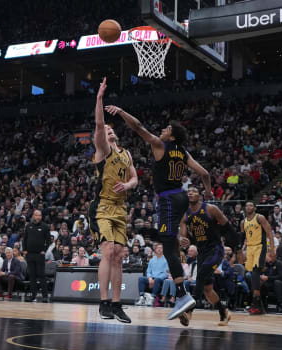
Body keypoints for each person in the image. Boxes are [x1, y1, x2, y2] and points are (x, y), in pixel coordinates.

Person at [105, 101, 211, 322]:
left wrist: (122, 111)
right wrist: (208, 193)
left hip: (168, 200)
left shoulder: (160, 146)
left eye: (166, 129)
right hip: (181, 196)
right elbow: (205, 174)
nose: (162, 130)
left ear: (171, 136)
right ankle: (183, 298)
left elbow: (138, 127)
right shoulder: (183, 153)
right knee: (170, 243)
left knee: (168, 247)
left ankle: (182, 295)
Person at [85, 80, 139, 322]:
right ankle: (103, 302)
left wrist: (127, 184)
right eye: (105, 131)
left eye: (110, 129)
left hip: (120, 208)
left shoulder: (126, 154)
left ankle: (117, 304)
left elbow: (135, 178)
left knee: (119, 254)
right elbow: (98, 123)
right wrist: (99, 98)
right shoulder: (103, 151)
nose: (108, 130)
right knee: (107, 250)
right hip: (102, 207)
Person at [178, 186, 237, 327]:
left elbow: (229, 228)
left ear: (200, 196)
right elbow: (183, 236)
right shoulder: (185, 215)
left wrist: (236, 249)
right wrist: (181, 240)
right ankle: (224, 313)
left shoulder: (210, 209)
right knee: (207, 290)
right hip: (202, 251)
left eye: (194, 191)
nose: (190, 193)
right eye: (189, 192)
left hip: (216, 249)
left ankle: (189, 310)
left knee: (202, 272)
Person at [242, 201, 275, 315]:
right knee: (251, 274)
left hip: (260, 246)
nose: (248, 207)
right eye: (247, 205)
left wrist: (272, 250)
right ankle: (260, 305)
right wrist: (242, 251)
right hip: (250, 248)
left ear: (255, 208)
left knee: (256, 272)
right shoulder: (243, 222)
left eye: (251, 205)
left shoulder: (260, 217)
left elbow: (269, 232)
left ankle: (255, 302)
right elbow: (244, 238)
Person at [22, 210, 52, 303]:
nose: (38, 217)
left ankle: (45, 296)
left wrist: (44, 250)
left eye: (39, 215)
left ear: (41, 216)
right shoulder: (28, 226)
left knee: (41, 275)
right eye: (36, 215)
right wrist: (24, 250)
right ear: (33, 216)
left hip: (40, 254)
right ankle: (33, 296)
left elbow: (49, 240)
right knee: (32, 276)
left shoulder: (45, 226)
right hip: (30, 254)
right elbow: (25, 239)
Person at [135, 243, 175, 307]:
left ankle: (152, 298)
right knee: (141, 278)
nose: (159, 249)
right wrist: (150, 278)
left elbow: (166, 273)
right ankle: (142, 297)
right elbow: (148, 271)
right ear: (155, 250)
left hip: (160, 279)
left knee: (157, 279)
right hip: (151, 278)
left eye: (161, 248)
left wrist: (154, 279)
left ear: (163, 250)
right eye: (157, 248)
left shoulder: (166, 260)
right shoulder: (152, 260)